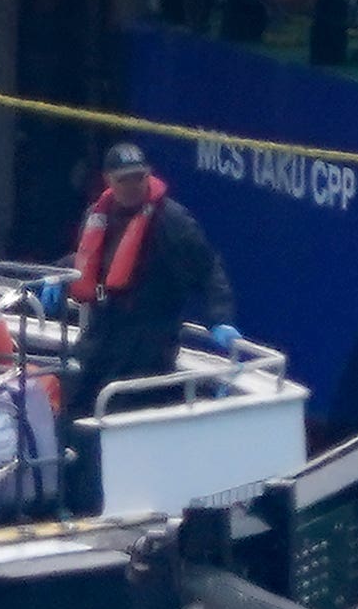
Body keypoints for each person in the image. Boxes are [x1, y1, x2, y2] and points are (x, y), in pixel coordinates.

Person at [41, 141, 239, 417]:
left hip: (149, 341)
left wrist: (221, 319)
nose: (133, 185)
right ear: (109, 180)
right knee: (70, 395)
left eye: (139, 177)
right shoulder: (97, 215)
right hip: (102, 332)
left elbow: (208, 269)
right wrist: (57, 276)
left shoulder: (172, 221)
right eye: (124, 179)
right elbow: (88, 260)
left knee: (118, 410)